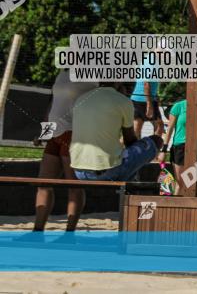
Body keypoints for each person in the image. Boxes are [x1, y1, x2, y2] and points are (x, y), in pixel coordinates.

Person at [29, 71, 97, 233]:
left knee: (73, 185)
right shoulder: (61, 74)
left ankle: (69, 232)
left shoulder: (92, 77)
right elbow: (53, 105)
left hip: (74, 133)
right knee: (43, 183)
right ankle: (38, 230)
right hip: (54, 134)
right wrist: (43, 133)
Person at [71, 83, 164, 182]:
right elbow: (130, 141)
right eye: (129, 87)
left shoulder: (81, 99)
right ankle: (128, 191)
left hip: (79, 172)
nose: (130, 91)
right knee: (156, 141)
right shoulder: (123, 101)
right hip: (106, 172)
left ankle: (125, 187)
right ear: (119, 82)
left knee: (127, 161)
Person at [158, 98, 197, 195]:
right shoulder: (178, 106)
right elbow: (169, 129)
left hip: (195, 148)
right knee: (180, 183)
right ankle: (174, 207)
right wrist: (163, 151)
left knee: (190, 183)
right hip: (179, 147)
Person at [131, 66, 163, 139]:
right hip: (142, 99)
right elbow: (146, 84)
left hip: (146, 98)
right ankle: (125, 148)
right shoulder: (151, 61)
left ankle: (152, 148)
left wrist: (156, 96)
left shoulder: (154, 63)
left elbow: (149, 84)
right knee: (137, 128)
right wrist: (149, 104)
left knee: (158, 125)